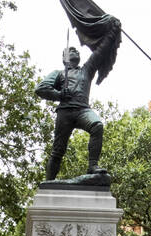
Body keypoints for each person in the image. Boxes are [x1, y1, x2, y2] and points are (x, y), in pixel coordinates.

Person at [35, 20, 120, 181]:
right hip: (65, 112)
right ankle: (49, 182)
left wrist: (112, 32)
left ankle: (92, 165)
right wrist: (59, 94)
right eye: (70, 50)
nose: (74, 51)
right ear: (64, 58)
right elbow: (40, 89)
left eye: (76, 50)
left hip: (82, 109)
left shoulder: (86, 70)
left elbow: (100, 51)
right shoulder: (59, 73)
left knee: (97, 126)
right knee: (58, 150)